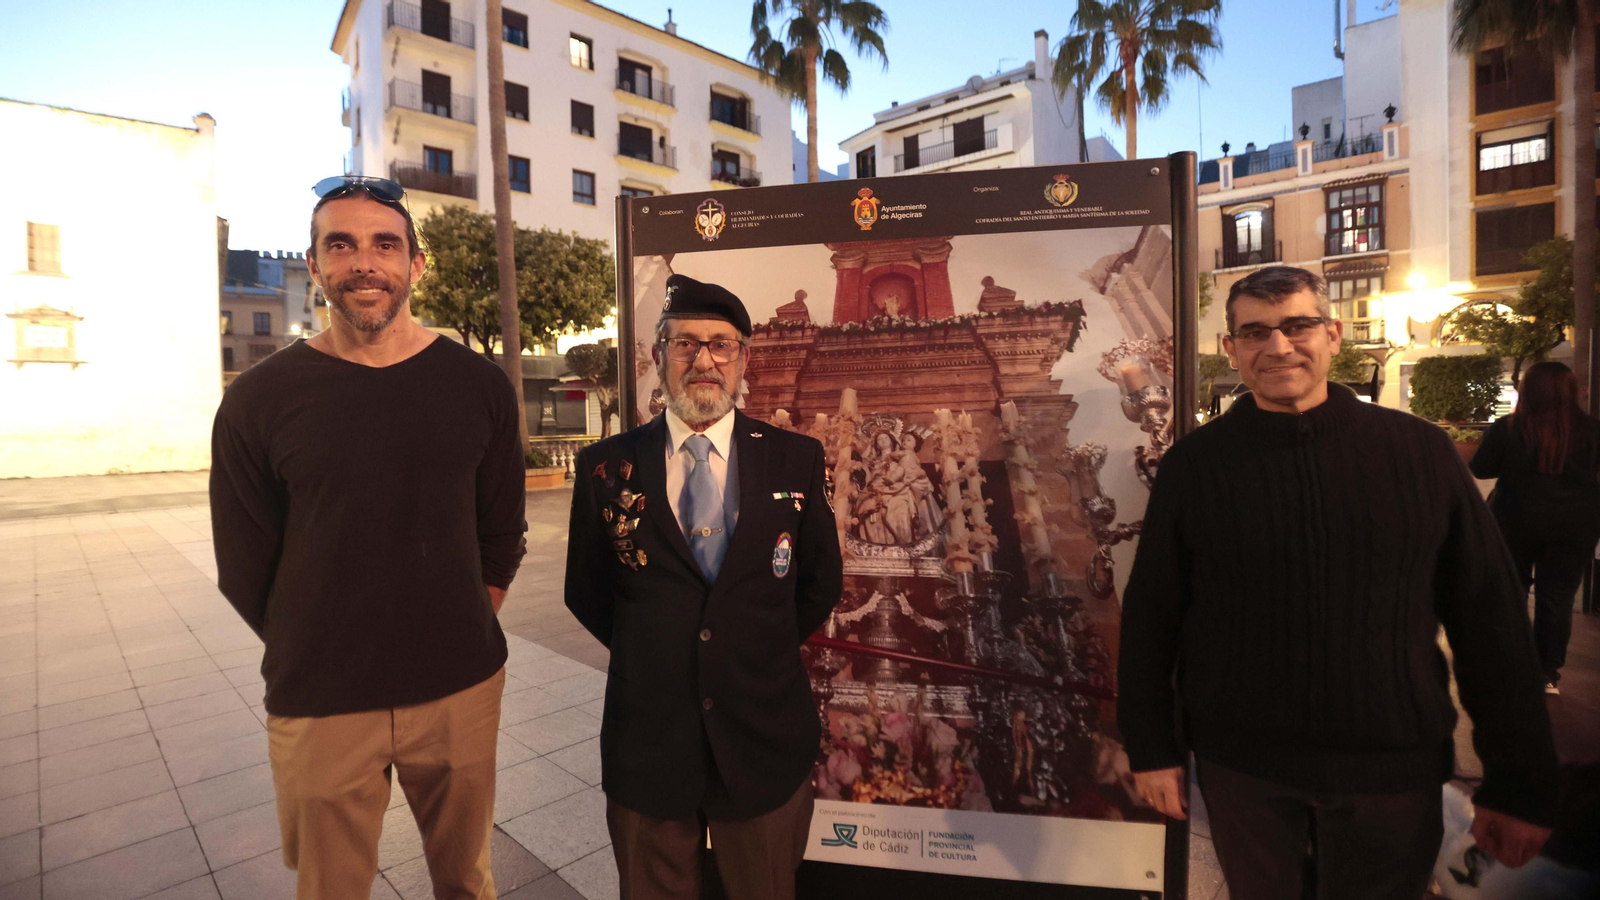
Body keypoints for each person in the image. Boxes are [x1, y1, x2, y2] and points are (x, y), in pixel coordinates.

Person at [1118, 266, 1559, 899]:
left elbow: (1489, 619)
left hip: (1391, 768)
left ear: (1333, 333)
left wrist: (1521, 781)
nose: (1278, 346)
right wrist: (1151, 745)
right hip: (1244, 769)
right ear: (1231, 348)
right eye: (1255, 332)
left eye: (1297, 326)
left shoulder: (1419, 452)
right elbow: (1153, 614)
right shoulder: (1196, 465)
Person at [210, 175, 526, 899]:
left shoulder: (478, 387)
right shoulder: (259, 401)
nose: (365, 263)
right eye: (341, 245)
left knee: (466, 882)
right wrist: (319, 637)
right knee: (331, 889)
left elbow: (501, 532)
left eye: (386, 244)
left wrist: (454, 624)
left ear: (416, 265)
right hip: (322, 698)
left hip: (460, 691)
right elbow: (244, 564)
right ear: (314, 265)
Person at [565, 274, 843, 900]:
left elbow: (818, 582)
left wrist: (750, 643)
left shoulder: (794, 458)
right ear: (658, 358)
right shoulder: (606, 466)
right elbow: (586, 590)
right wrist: (658, 645)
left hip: (763, 732)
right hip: (649, 735)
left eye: (721, 345)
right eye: (685, 343)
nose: (704, 360)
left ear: (743, 359)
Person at [1469, 360, 1600, 695]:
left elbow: (1481, 469)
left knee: (1511, 595)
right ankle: (1546, 674)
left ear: (1527, 390)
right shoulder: (1592, 431)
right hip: (1574, 529)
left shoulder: (1508, 428)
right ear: (1572, 392)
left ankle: (1512, 665)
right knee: (1556, 599)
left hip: (1515, 523)